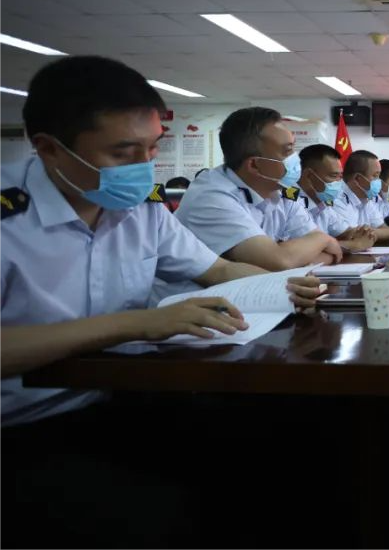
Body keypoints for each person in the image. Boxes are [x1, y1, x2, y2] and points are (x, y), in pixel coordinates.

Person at [0, 57, 321, 544]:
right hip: (26, 422)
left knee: (279, 450)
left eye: (152, 148)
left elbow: (218, 270)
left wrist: (282, 287)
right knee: (154, 513)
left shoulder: (139, 208)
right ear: (48, 148)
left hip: (124, 394)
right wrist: (135, 324)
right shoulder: (9, 216)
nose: (143, 167)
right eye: (122, 152)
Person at [175, 107, 342, 271]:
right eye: (287, 151)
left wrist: (305, 251)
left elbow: (324, 253)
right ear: (254, 165)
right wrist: (324, 239)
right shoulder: (212, 197)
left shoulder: (281, 192)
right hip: (198, 290)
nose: (296, 159)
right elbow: (279, 261)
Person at [296, 144, 375, 250]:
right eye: (333, 176)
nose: (339, 182)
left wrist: (364, 232)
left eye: (340, 176)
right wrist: (355, 244)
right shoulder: (293, 202)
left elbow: (345, 232)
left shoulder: (322, 204)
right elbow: (303, 251)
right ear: (308, 176)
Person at [340, 150, 389, 241]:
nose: (379, 181)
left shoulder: (368, 199)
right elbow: (354, 235)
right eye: (375, 176)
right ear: (358, 178)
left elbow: (382, 228)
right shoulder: (339, 200)